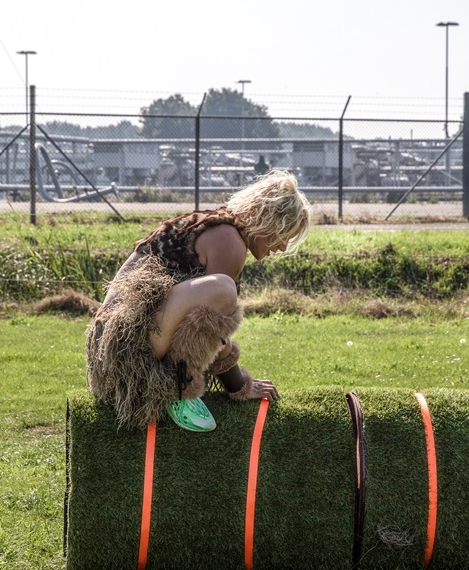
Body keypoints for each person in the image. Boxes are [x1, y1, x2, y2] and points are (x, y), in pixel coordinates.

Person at [86, 169, 311, 432]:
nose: (282, 247)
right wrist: (240, 385)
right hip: (129, 352)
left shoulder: (215, 226)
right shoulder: (230, 241)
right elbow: (209, 329)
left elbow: (198, 327)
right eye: (284, 234)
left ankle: (177, 382)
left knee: (220, 296)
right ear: (267, 220)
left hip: (111, 350)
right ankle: (180, 390)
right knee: (224, 291)